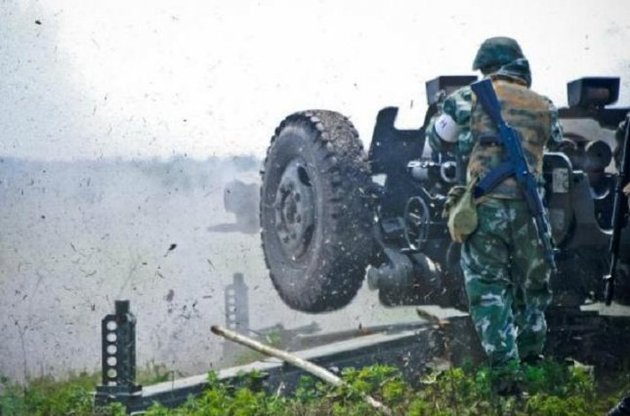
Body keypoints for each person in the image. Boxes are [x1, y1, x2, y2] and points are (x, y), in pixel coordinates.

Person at [427, 36, 563, 394]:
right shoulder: (544, 105)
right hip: (531, 213)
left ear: (487, 66)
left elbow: (437, 139)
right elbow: (559, 140)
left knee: (489, 290)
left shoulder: (469, 97)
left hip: (485, 208)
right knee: (533, 289)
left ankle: (506, 379)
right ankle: (533, 365)